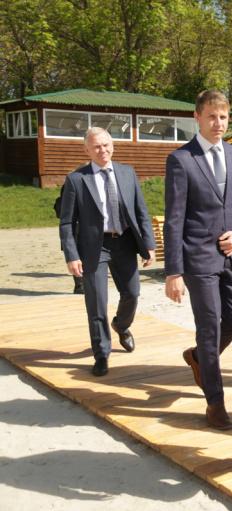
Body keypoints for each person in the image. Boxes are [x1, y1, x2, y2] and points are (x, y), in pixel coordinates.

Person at [164, 90, 232, 431]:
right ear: (197, 117)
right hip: (198, 259)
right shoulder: (181, 159)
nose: (218, 123)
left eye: (224, 117)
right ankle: (215, 402)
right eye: (212, 116)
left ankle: (199, 357)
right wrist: (174, 271)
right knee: (209, 326)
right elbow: (174, 218)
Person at [58, 127, 156, 377]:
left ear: (113, 146)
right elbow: (67, 222)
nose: (102, 150)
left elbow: (141, 211)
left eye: (106, 145)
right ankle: (101, 353)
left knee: (132, 293)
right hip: (95, 247)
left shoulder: (127, 172)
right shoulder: (76, 179)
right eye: (96, 146)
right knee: (97, 302)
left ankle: (121, 325)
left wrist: (149, 245)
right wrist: (71, 255)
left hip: (124, 243)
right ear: (87, 150)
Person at [54, 189, 84, 294]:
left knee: (80, 256)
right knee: (77, 256)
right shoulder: (70, 187)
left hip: (79, 227)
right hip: (74, 228)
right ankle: (80, 285)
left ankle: (81, 284)